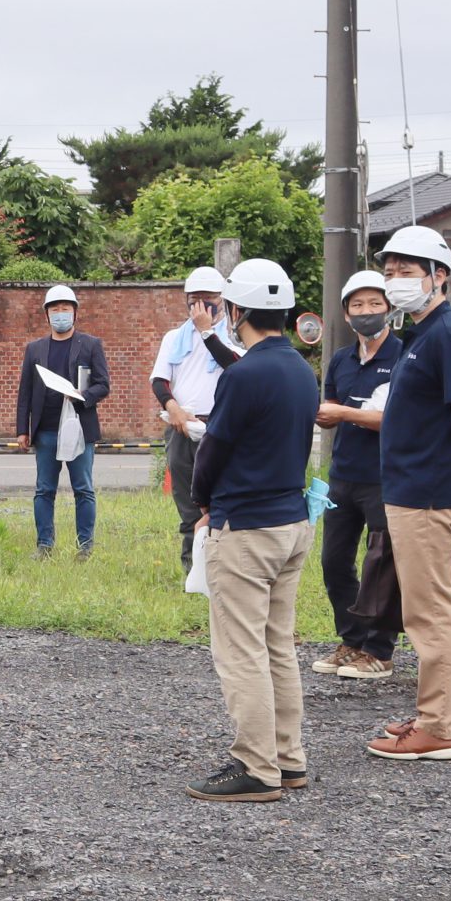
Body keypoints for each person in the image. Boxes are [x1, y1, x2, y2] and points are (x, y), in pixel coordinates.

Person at [183, 259, 321, 802]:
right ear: (285, 313)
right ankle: (288, 759)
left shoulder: (243, 375)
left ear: (236, 311)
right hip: (292, 522)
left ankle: (256, 767)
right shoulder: (300, 371)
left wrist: (202, 501)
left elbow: (214, 448)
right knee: (277, 645)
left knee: (241, 651)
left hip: (245, 528)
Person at [368, 224, 451, 762]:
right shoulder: (424, 331)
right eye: (390, 272)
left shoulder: (447, 332)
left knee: (427, 612)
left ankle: (436, 727)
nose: (395, 281)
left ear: (439, 275)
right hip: (417, 488)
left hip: (429, 493)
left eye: (406, 272)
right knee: (442, 607)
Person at [311, 269, 403, 683]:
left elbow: (396, 420)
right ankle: (351, 640)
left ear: (389, 309)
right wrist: (321, 414)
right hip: (342, 475)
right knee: (334, 562)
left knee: (382, 565)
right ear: (346, 315)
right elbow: (329, 412)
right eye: (358, 306)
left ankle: (379, 651)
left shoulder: (404, 356)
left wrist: (344, 413)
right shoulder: (341, 360)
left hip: (385, 477)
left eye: (375, 305)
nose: (366, 313)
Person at [13, 283, 111, 558]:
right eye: (55, 310)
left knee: (83, 488)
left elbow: (103, 384)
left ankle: (85, 547)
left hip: (79, 428)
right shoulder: (35, 349)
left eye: (65, 309)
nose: (60, 314)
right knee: (44, 489)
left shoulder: (90, 345)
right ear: (47, 315)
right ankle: (44, 545)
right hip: (45, 429)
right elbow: (25, 391)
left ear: (75, 313)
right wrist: (23, 428)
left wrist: (84, 395)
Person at [151, 267, 239, 569]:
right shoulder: (174, 338)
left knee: (221, 494)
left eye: (208, 299)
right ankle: (193, 567)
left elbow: (236, 366)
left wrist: (207, 332)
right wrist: (173, 407)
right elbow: (160, 379)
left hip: (219, 427)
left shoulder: (235, 335)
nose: (201, 306)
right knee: (187, 498)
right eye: (194, 299)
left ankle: (222, 563)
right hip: (181, 427)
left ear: (222, 300)